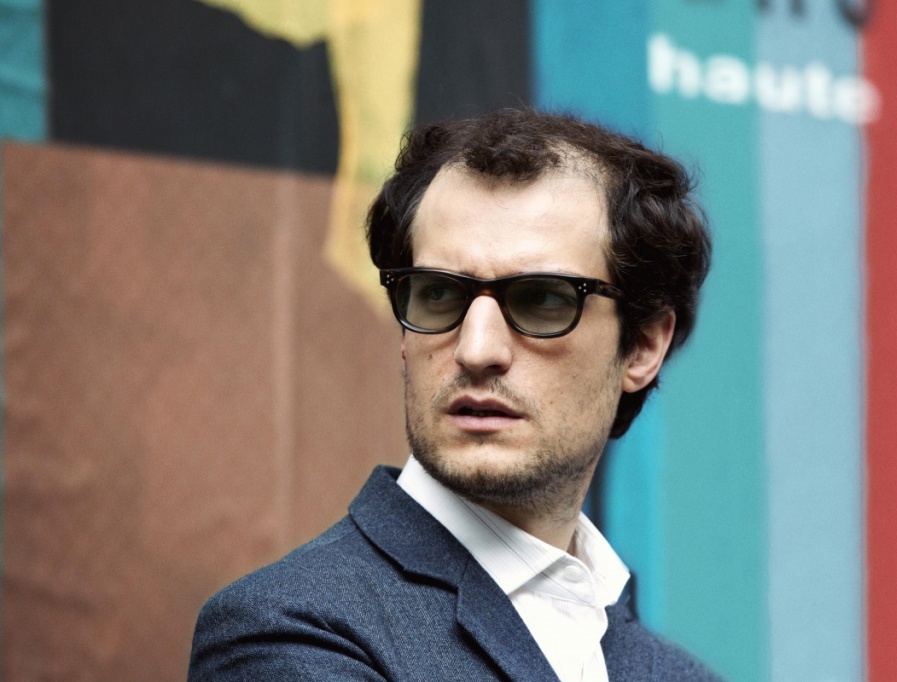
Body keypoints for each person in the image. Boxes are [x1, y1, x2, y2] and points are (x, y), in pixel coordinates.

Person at [188, 108, 720, 681]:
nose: (476, 348)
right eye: (438, 293)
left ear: (642, 345)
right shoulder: (289, 632)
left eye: (542, 298)